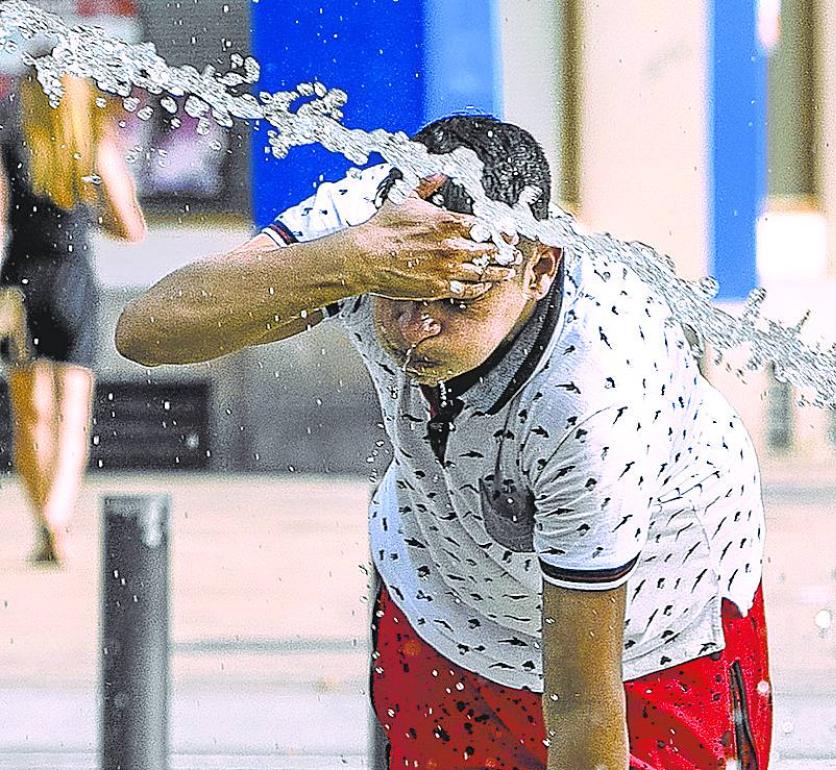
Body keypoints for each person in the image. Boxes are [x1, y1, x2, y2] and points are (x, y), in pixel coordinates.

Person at [116, 115, 770, 770]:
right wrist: (350, 261)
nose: (416, 328)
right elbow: (149, 331)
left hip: (657, 638)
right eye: (396, 296)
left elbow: (582, 706)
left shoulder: (593, 388)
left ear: (539, 268)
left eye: (457, 300)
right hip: (444, 609)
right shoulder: (379, 230)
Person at [1, 72, 147, 565]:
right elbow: (132, 228)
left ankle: (43, 516)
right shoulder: (91, 148)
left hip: (19, 284)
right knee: (72, 414)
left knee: (30, 415)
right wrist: (86, 216)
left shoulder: (11, 146)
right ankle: (58, 516)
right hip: (72, 280)